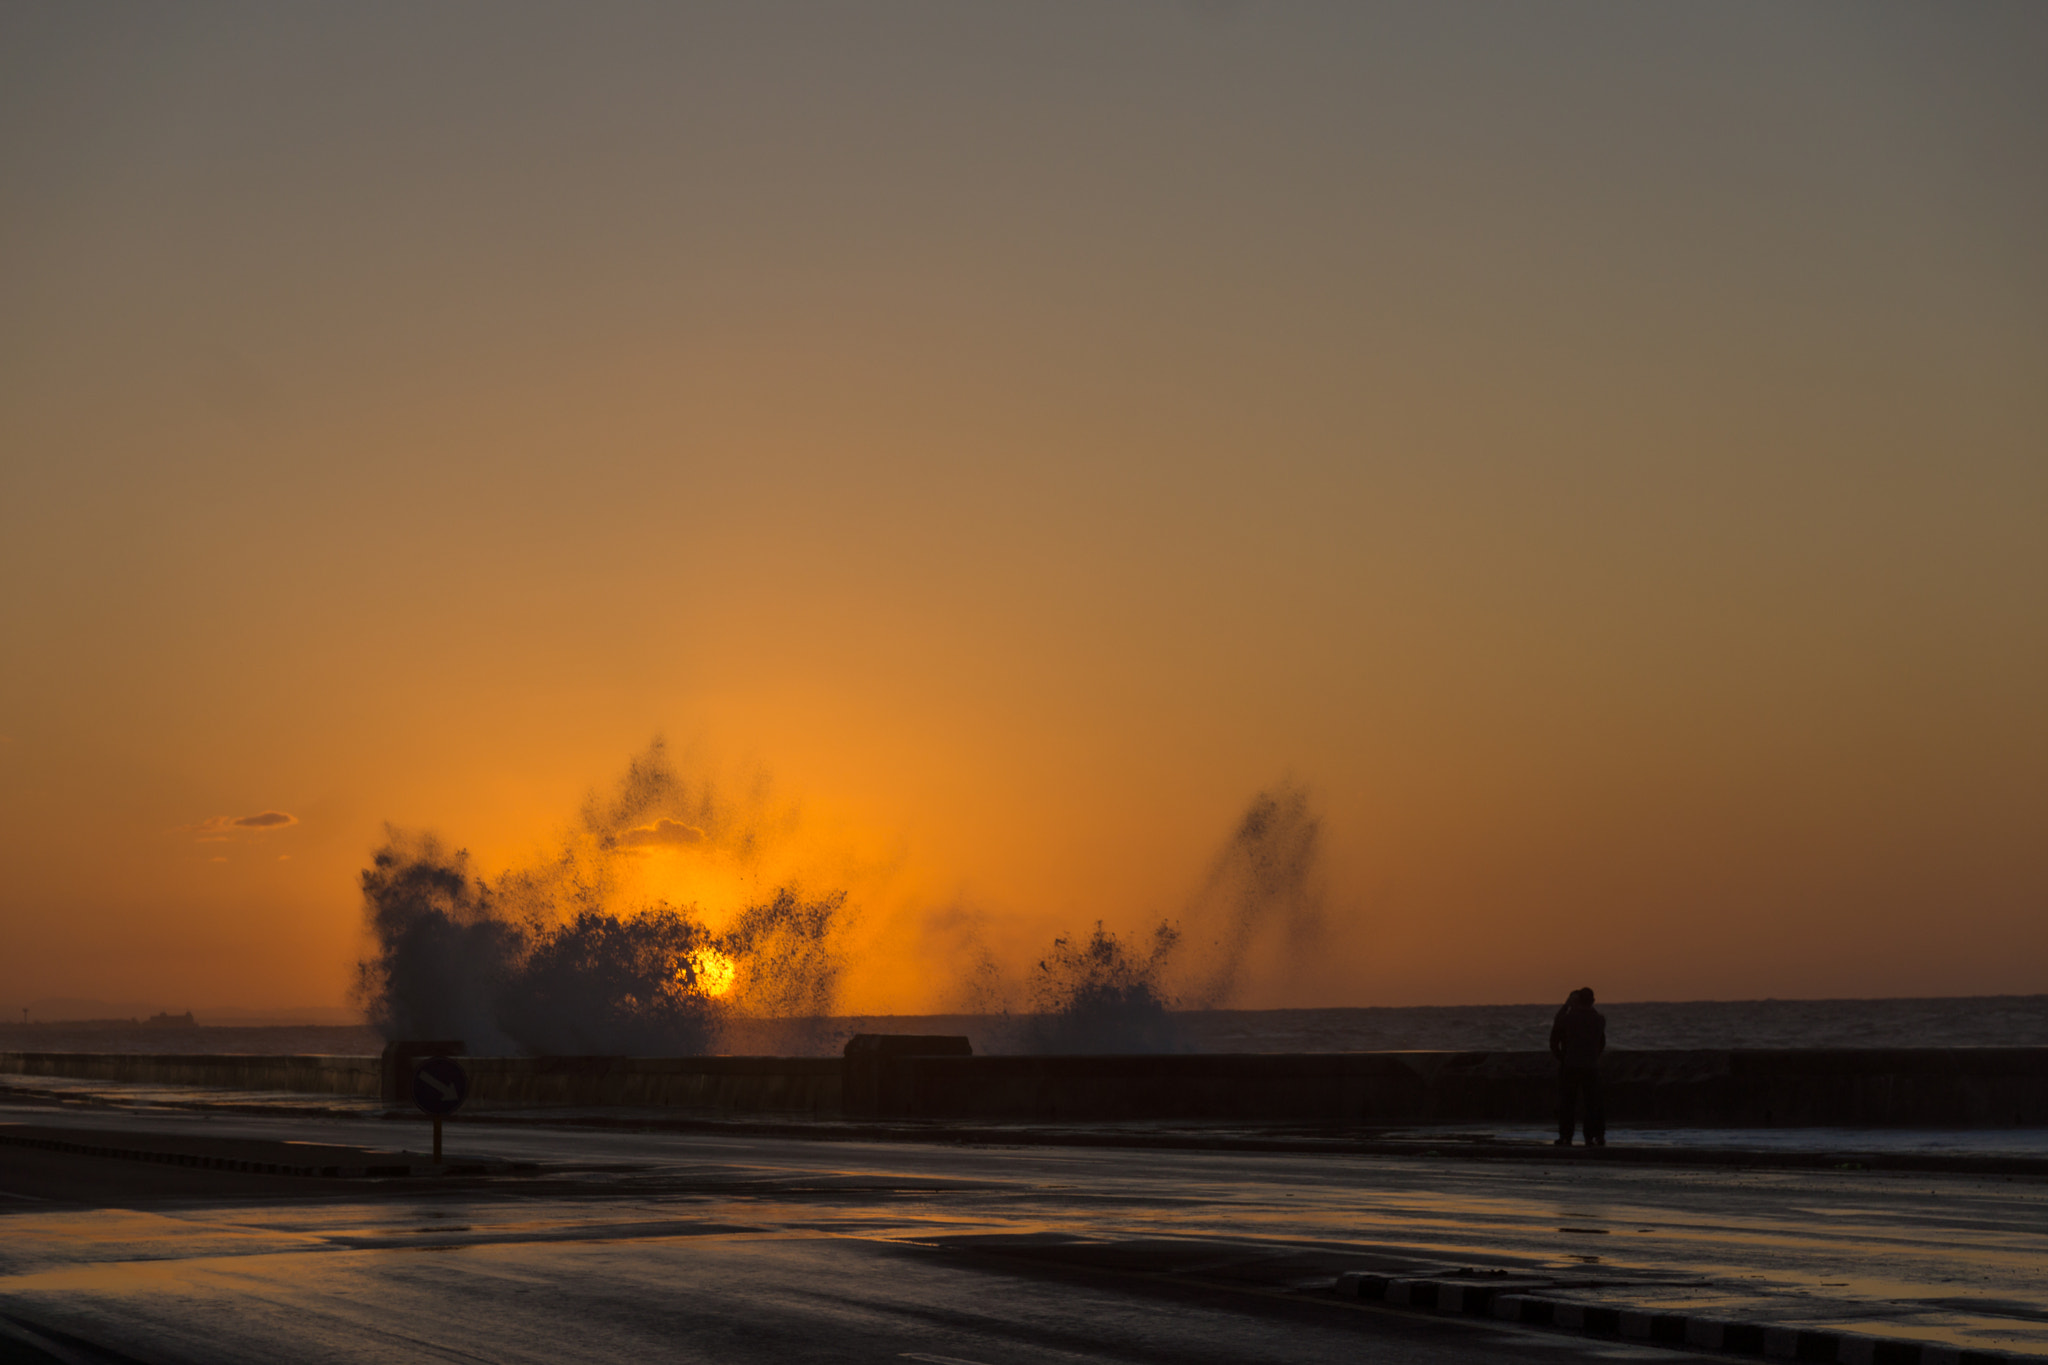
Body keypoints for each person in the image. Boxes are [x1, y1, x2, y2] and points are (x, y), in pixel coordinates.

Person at [1549, 987, 1606, 1146]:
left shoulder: (1568, 1019)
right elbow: (1601, 1042)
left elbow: (1556, 1028)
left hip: (1571, 1065)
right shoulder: (1599, 1019)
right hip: (1591, 1066)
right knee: (1593, 1104)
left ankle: (1566, 1136)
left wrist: (1567, 1005)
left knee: (1567, 1103)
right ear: (1593, 1001)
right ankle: (1593, 1136)